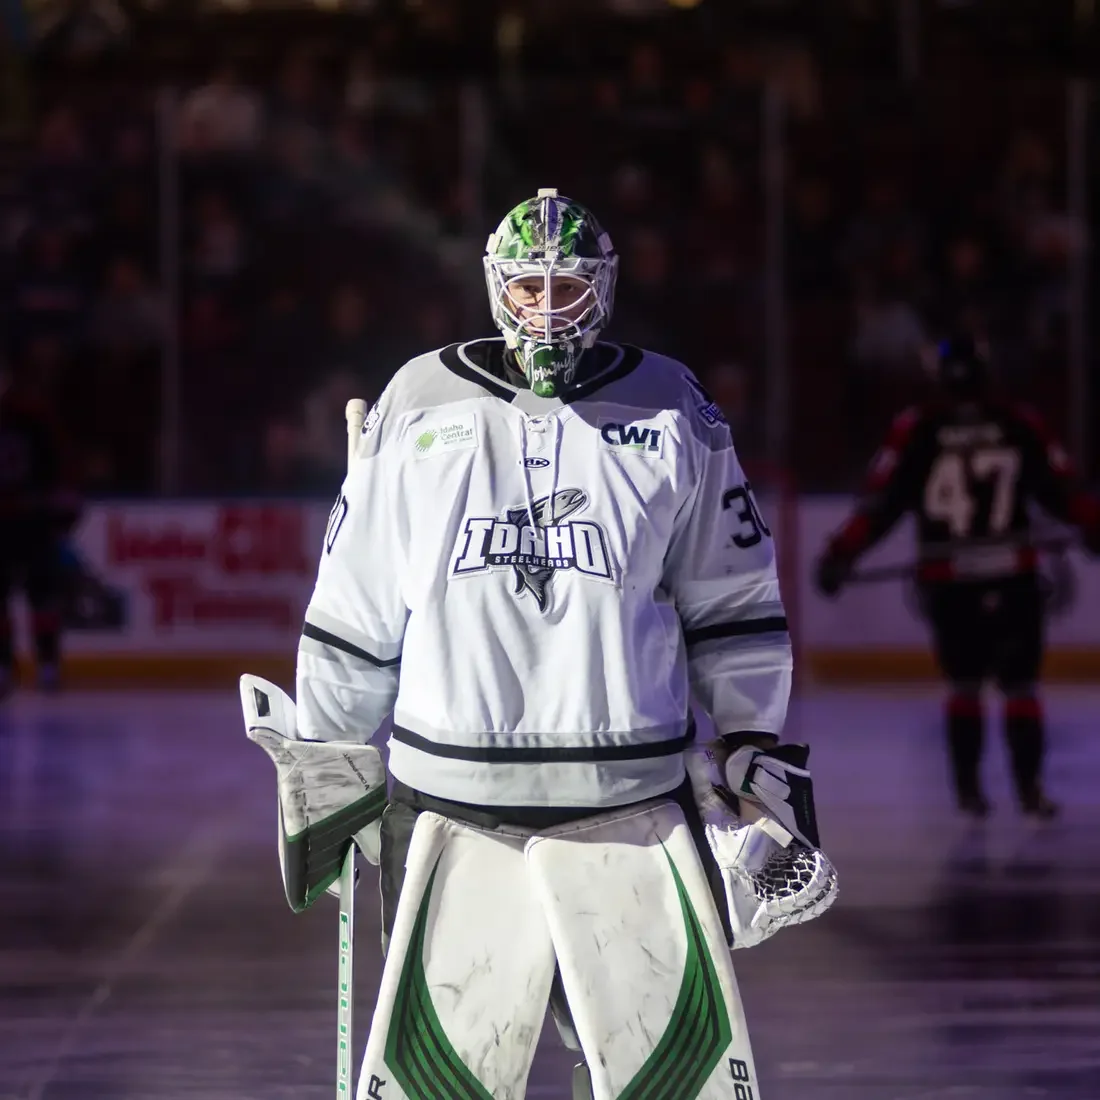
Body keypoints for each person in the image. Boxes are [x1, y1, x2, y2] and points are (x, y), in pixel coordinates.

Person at [291, 189, 828, 1100]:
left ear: (604, 290)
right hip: (446, 802)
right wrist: (328, 746)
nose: (547, 307)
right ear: (497, 288)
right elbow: (355, 599)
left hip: (632, 802)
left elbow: (731, 593)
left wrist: (748, 734)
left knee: (663, 1078)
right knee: (444, 1082)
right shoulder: (417, 399)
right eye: (530, 287)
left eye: (568, 287)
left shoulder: (670, 404)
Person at [815, 335, 1100, 820]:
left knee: (965, 685)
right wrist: (1092, 527)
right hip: (1014, 575)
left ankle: (970, 793)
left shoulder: (917, 428)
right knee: (1021, 685)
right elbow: (1063, 491)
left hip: (949, 580)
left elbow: (881, 506)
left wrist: (841, 554)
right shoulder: (1019, 422)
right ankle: (1029, 790)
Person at [0, 358, 81, 695]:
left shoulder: (38, 420)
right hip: (20, 523)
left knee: (43, 598)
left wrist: (61, 510)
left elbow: (61, 470)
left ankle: (45, 663)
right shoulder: (38, 418)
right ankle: (13, 665)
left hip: (33, 522)